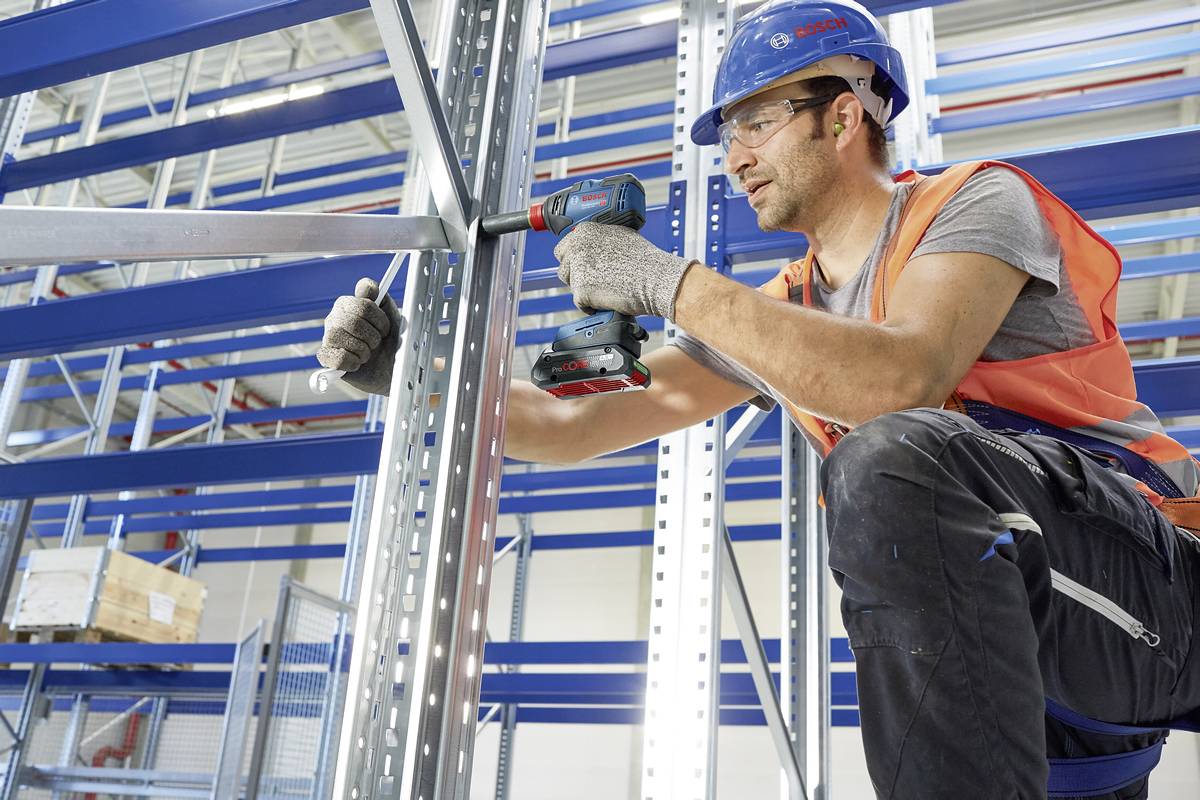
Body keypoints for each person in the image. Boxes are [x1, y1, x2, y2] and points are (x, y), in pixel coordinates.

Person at [318, 1, 1199, 797]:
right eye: (729, 132)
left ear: (845, 114)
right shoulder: (787, 312)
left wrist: (669, 283)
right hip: (1064, 724)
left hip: (1148, 583)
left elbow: (901, 379)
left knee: (891, 458)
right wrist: (414, 377)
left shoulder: (972, 203)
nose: (734, 155)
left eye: (757, 121)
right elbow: (569, 423)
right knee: (889, 467)